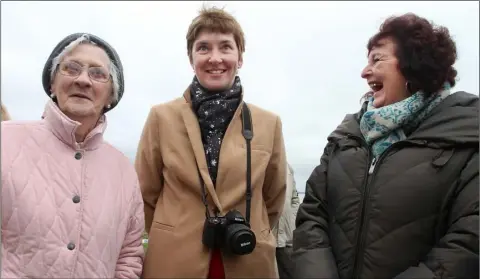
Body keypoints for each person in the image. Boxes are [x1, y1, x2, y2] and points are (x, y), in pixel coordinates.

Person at [292, 13, 478, 279]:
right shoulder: (345, 138)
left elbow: (468, 243)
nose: (364, 72)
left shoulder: (467, 137)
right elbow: (312, 216)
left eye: (377, 59)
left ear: (415, 63)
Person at [136, 5, 287, 279]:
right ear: (191, 57)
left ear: (240, 57)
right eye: (203, 47)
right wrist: (175, 231)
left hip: (247, 259)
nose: (215, 58)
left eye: (226, 47)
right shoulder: (161, 117)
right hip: (173, 262)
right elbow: (144, 194)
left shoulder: (269, 123)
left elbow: (273, 199)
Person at [1, 33, 145, 278]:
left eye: (98, 73)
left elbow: (129, 253)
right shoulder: (6, 141)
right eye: (71, 68)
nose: (83, 80)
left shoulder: (123, 170)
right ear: (51, 83)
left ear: (111, 95)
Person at [274, 163, 300, 279]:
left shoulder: (288, 168)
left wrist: (293, 222)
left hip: (287, 239)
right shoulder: (257, 162)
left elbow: (295, 199)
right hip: (265, 240)